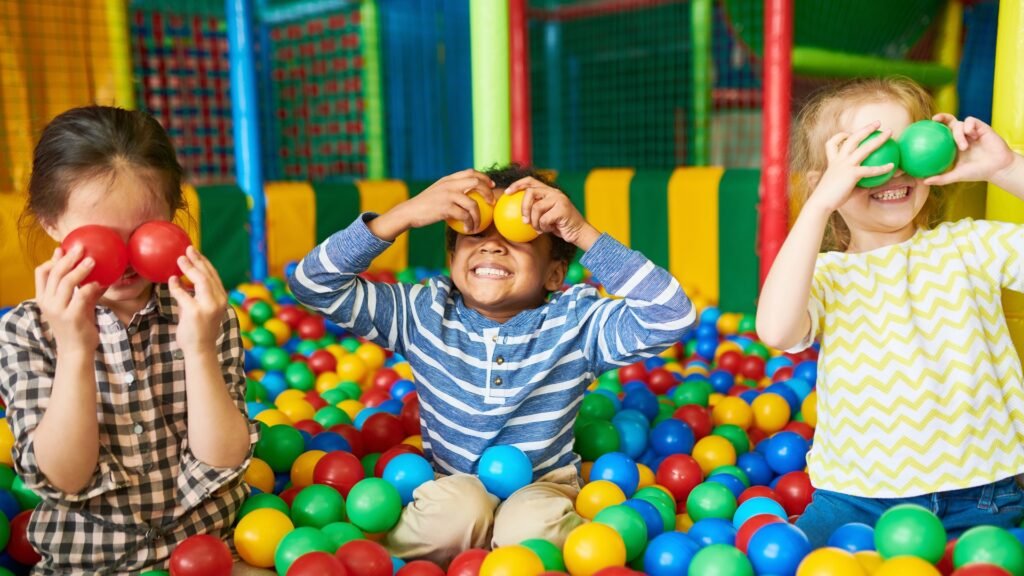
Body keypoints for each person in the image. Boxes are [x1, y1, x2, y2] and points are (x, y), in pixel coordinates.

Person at [288, 164, 695, 565]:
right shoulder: (421, 313)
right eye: (475, 234)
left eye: (516, 236)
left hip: (542, 486)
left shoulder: (575, 323)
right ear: (452, 259)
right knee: (457, 513)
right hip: (451, 484)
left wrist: (580, 233)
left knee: (528, 528)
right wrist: (403, 215)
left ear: (555, 273)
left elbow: (673, 315)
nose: (492, 245)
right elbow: (311, 284)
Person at [757, 77, 1024, 548]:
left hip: (983, 494)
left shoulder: (970, 246)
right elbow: (776, 329)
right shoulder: (824, 275)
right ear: (828, 182)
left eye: (905, 149)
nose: (892, 169)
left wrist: (1005, 168)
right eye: (867, 155)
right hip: (856, 501)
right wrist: (817, 204)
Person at [0, 106, 259, 574]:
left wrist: (199, 348)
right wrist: (76, 350)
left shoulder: (204, 311)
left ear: (175, 215)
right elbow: (65, 477)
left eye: (146, 233)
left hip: (209, 556)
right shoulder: (25, 330)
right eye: (99, 237)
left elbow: (223, 460)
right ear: (50, 222)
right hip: (90, 565)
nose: (124, 259)